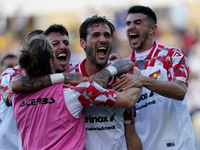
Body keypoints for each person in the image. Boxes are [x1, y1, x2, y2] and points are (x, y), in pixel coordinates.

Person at [10, 17, 143, 150]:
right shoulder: (70, 87)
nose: (102, 39)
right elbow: (127, 99)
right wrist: (138, 77)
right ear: (82, 43)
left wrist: (116, 69)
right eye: (96, 35)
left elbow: (130, 133)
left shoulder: (18, 96)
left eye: (107, 35)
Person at [112, 5, 196, 150]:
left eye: (137, 23)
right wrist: (109, 70)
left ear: (152, 29)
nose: (131, 27)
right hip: (143, 146)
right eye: (128, 23)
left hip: (178, 146)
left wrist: (143, 80)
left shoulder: (172, 55)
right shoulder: (124, 67)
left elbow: (180, 90)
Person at [0, 29, 44, 150]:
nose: (38, 50)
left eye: (42, 45)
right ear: (25, 50)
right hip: (9, 146)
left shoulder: (53, 73)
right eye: (34, 45)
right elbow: (8, 97)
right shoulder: (10, 73)